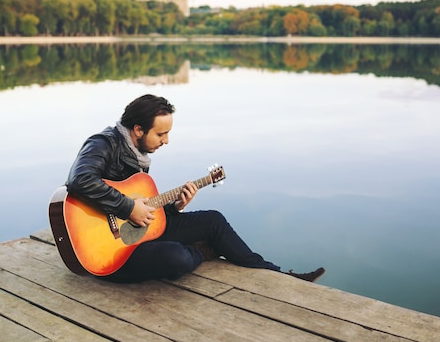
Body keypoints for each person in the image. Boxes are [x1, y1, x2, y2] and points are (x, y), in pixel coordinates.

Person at [66, 94, 325, 283]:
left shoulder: (137, 154)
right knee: (176, 258)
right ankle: (203, 251)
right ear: (137, 129)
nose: (166, 141)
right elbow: (80, 180)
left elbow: (143, 208)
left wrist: (174, 207)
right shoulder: (103, 143)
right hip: (110, 255)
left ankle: (276, 273)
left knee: (213, 220)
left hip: (135, 236)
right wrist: (129, 207)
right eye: (161, 134)